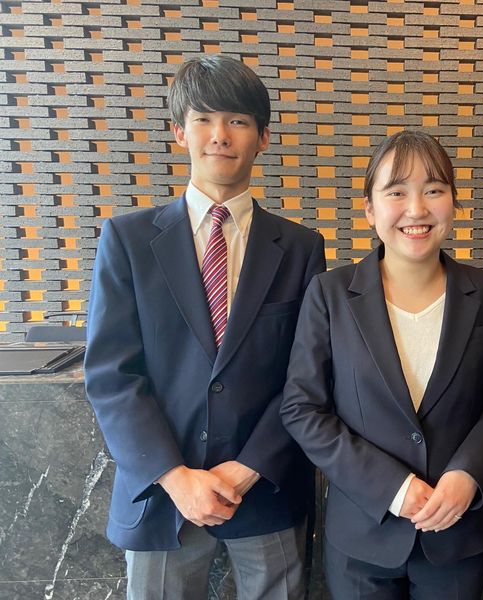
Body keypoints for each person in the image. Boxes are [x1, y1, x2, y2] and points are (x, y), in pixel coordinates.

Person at [84, 55, 326, 600]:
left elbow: (307, 375)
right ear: (179, 132)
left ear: (263, 138)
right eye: (204, 119)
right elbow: (112, 375)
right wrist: (174, 476)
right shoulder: (127, 240)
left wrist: (248, 467)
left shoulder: (301, 248)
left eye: (237, 120)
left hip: (265, 488)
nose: (220, 135)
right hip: (161, 492)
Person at [281, 131, 483, 599]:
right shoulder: (330, 294)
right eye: (396, 192)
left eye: (433, 190)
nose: (416, 209)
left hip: (457, 532)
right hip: (363, 535)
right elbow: (303, 409)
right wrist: (393, 487)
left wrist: (468, 475)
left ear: (453, 203)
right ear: (370, 209)